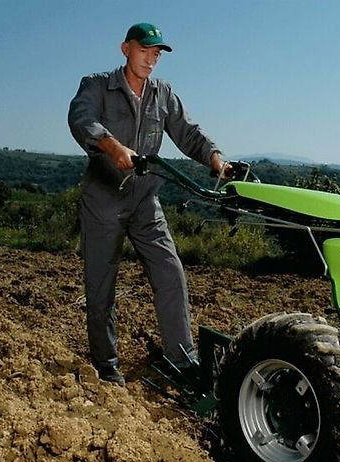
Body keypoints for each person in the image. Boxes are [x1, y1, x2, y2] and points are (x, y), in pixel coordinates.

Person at [68, 22, 229, 385]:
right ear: (126, 49)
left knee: (170, 273)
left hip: (144, 201)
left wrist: (216, 159)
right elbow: (81, 118)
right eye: (144, 51)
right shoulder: (97, 85)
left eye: (156, 54)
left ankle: (181, 360)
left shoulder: (162, 93)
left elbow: (188, 132)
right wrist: (111, 146)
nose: (151, 59)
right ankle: (106, 365)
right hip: (103, 200)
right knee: (101, 286)